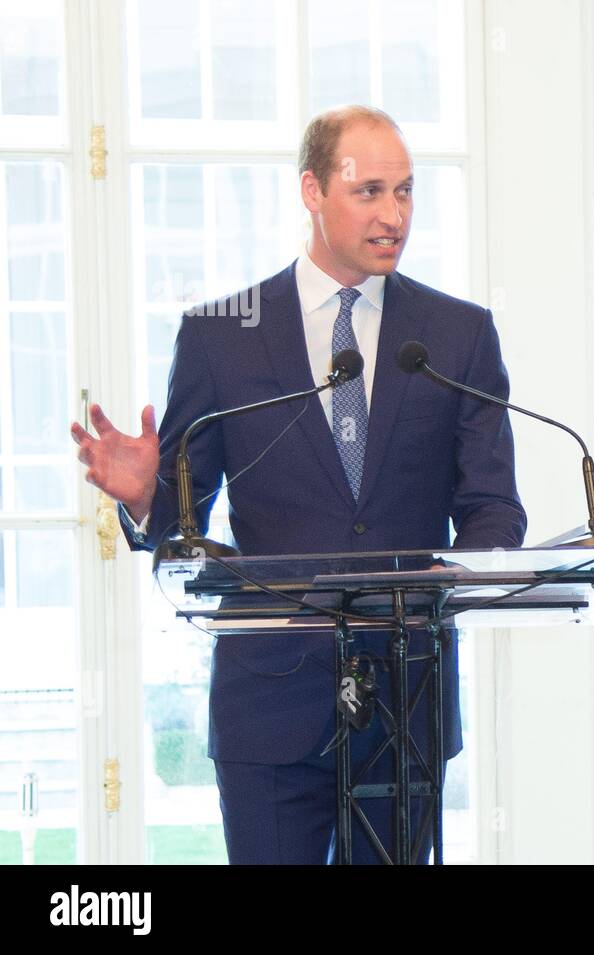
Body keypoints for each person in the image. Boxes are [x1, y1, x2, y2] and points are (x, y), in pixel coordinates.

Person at [70, 105, 526, 863]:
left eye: (406, 192)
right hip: (267, 707)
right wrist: (148, 495)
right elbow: (186, 526)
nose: (394, 215)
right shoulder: (221, 335)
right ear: (312, 190)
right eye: (370, 191)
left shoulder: (457, 335)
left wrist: (458, 573)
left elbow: (493, 506)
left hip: (405, 698)